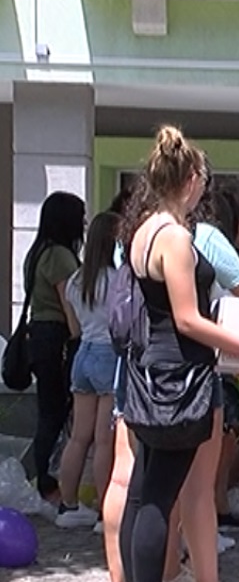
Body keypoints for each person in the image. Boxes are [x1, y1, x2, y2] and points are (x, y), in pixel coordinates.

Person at [117, 125, 239, 582]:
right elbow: (188, 319)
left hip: (149, 370)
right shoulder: (173, 236)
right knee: (158, 496)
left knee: (145, 492)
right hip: (178, 378)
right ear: (191, 180)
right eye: (203, 184)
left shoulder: (143, 230)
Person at [55, 211, 120, 530]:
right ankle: (104, 511)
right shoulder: (117, 280)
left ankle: (67, 505)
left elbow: (76, 324)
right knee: (104, 440)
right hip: (109, 353)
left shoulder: (77, 280)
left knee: (79, 437)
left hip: (84, 353)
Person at [24, 191, 86, 502]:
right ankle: (49, 486)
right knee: (56, 412)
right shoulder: (60, 256)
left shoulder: (36, 252)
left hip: (38, 333)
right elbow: (68, 302)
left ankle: (44, 482)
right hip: (56, 336)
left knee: (48, 410)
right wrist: (78, 337)